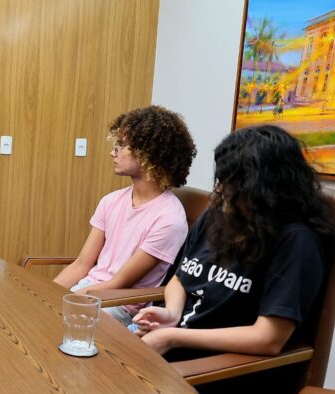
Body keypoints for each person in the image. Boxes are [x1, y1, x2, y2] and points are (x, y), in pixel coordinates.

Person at [133, 125, 333, 360]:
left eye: (230, 183)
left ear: (263, 188)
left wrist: (172, 337)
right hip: (172, 346)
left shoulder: (297, 241)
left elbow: (268, 338)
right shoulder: (218, 214)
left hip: (215, 369)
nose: (218, 190)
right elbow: (180, 278)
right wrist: (172, 314)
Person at [53, 105, 197, 326]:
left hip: (118, 304)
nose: (113, 152)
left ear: (147, 152)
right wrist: (44, 295)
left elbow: (119, 282)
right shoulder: (111, 201)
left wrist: (66, 301)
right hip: (86, 291)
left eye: (121, 146)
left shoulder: (169, 218)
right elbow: (82, 264)